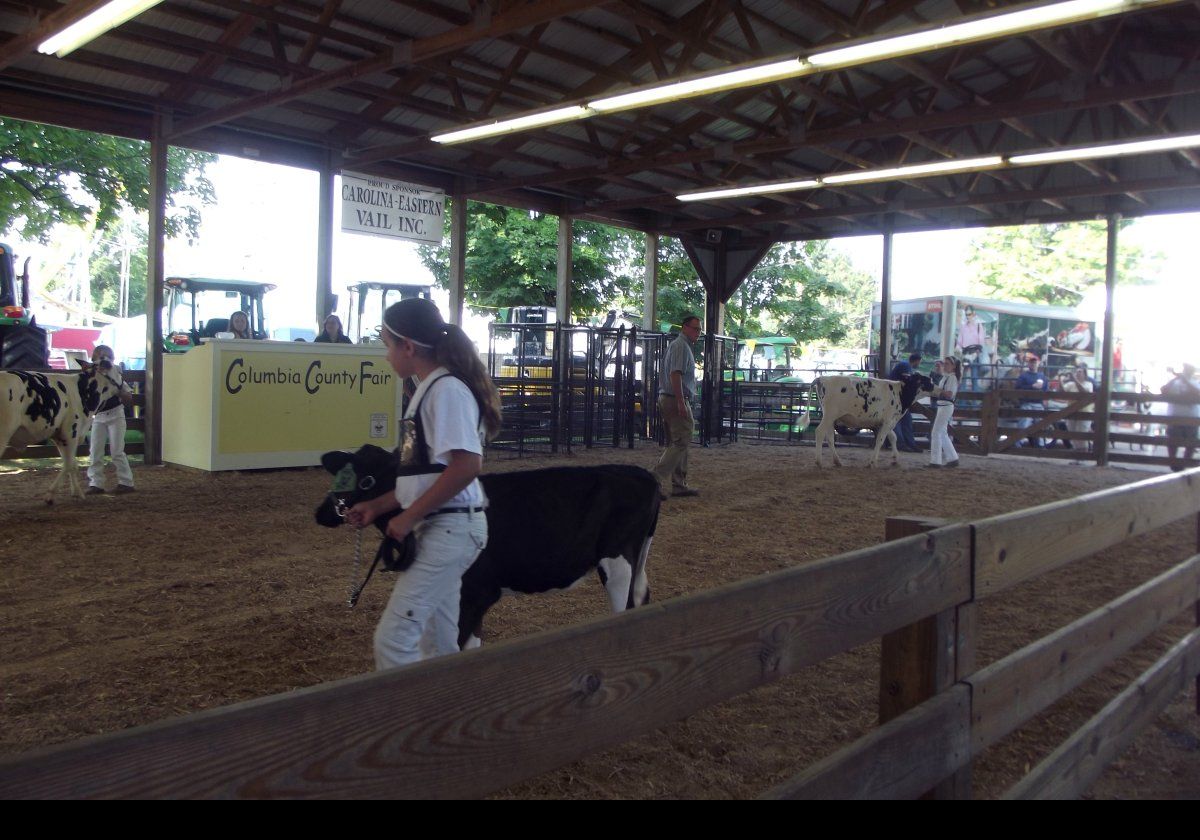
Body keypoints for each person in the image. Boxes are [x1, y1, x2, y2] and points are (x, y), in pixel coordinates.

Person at [345, 298, 502, 670]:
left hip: (450, 528)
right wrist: (380, 507)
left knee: (394, 638)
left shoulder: (445, 390)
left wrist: (407, 516)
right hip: (446, 526)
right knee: (438, 638)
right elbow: (431, 472)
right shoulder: (434, 389)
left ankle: (409, 723)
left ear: (408, 347)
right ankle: (445, 717)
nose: (386, 356)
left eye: (387, 345)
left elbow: (467, 466)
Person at [653, 315, 702, 500]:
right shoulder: (681, 346)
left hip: (669, 397)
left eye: (699, 329)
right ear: (685, 328)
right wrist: (681, 401)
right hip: (675, 398)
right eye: (695, 328)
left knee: (678, 442)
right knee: (681, 440)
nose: (698, 332)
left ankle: (679, 484)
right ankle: (654, 479)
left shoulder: (679, 345)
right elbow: (676, 374)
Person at [86, 345, 135, 495]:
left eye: (106, 356)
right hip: (99, 417)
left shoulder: (115, 375)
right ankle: (96, 483)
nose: (103, 359)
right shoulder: (91, 375)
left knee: (117, 451)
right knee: (95, 451)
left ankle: (126, 482)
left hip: (116, 414)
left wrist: (120, 391)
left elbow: (128, 397)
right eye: (100, 356)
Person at [1162, 363, 1200, 471]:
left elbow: (1197, 392)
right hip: (1175, 417)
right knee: (1173, 443)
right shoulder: (1175, 383)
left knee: (1191, 444)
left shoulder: (1195, 383)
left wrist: (1184, 380)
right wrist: (1176, 378)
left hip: (1191, 419)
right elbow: (1163, 390)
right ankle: (1174, 464)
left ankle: (1183, 465)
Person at [928, 355, 961, 468]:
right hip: (943, 406)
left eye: (947, 364)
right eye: (944, 363)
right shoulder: (947, 377)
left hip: (946, 406)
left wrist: (938, 391)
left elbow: (950, 394)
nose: (945, 365)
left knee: (936, 432)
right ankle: (953, 458)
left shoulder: (951, 378)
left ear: (953, 366)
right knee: (942, 433)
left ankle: (935, 461)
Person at [888, 352, 922, 453]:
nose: (919, 364)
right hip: (896, 398)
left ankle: (908, 444)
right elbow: (907, 380)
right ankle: (904, 444)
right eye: (919, 362)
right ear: (916, 361)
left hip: (898, 397)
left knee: (904, 419)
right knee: (901, 420)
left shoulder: (904, 365)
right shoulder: (905, 366)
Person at [1015, 353, 1048, 447]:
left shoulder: (1043, 377)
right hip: (1026, 403)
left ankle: (1041, 445)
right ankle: (1018, 444)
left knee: (1040, 426)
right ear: (1028, 364)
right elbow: (1017, 388)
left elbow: (1046, 390)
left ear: (1038, 364)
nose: (1033, 364)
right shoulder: (1023, 376)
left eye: (1035, 362)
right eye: (1031, 362)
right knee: (1023, 425)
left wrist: (1042, 393)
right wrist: (1032, 386)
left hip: (1038, 403)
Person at [954, 305, 988, 394]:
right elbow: (959, 342)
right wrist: (958, 350)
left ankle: (974, 403)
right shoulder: (963, 327)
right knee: (964, 378)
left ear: (974, 314)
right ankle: (962, 402)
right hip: (965, 354)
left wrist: (976, 353)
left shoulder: (978, 326)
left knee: (974, 378)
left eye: (969, 314)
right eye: (966, 314)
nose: (968, 316)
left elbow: (981, 343)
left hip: (975, 354)